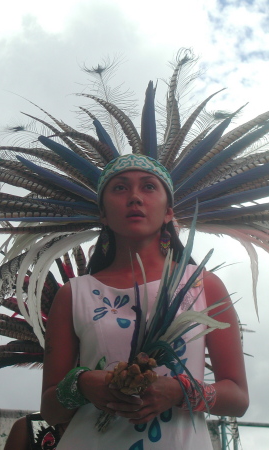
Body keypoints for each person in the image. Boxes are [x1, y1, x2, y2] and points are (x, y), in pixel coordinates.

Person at [40, 154, 249, 449]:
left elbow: (238, 398)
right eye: (120, 188)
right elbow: (50, 410)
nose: (135, 197)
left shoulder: (203, 285)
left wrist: (179, 391)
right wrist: (83, 383)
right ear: (103, 214)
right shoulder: (73, 294)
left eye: (149, 187)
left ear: (168, 212)